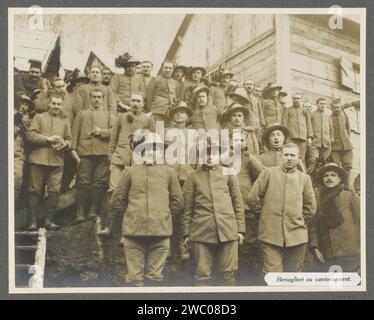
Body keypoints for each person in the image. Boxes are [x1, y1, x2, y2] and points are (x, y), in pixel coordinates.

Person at [110, 132, 184, 287]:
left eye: (156, 148)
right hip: (133, 232)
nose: (151, 152)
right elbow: (117, 201)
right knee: (134, 279)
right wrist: (132, 214)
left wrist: (164, 214)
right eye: (147, 149)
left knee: (155, 278)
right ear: (141, 152)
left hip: (161, 232)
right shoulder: (129, 172)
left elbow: (178, 202)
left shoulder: (169, 173)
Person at [181, 138, 245, 286]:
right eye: (206, 153)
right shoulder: (193, 176)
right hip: (201, 230)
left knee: (228, 274)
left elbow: (238, 203)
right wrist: (186, 233)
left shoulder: (229, 174)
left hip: (228, 229)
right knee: (202, 275)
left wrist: (240, 229)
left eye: (214, 153)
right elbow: (187, 208)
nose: (210, 156)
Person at [248, 143, 316, 273]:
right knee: (272, 273)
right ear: (281, 156)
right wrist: (264, 213)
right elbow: (252, 198)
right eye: (286, 155)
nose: (289, 158)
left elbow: (311, 207)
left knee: (293, 276)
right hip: (270, 233)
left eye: (292, 155)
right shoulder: (268, 173)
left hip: (297, 235)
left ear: (298, 158)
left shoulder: (304, 179)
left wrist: (297, 217)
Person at [26, 94, 72, 230]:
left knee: (54, 192)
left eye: (59, 104)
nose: (56, 107)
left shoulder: (65, 121)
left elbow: (69, 139)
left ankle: (49, 221)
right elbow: (30, 135)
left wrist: (65, 144)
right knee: (34, 191)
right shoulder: (39, 118)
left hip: (57, 161)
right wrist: (48, 139)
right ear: (48, 104)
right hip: (38, 159)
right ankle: (32, 222)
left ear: (61, 105)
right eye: (54, 103)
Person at [72, 88, 114, 224]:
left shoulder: (109, 115)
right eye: (94, 97)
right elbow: (75, 133)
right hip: (84, 153)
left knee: (99, 183)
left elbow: (115, 132)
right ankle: (80, 213)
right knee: (83, 182)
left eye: (99, 97)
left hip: (102, 154)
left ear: (103, 99)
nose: (96, 99)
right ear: (90, 98)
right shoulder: (82, 114)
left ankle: (93, 210)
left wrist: (101, 131)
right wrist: (73, 150)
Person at [309, 163, 360, 272]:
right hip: (326, 252)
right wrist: (315, 247)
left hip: (349, 252)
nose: (329, 178)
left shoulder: (349, 196)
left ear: (340, 179)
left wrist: (362, 246)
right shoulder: (317, 199)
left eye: (333, 175)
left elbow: (364, 222)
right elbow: (313, 225)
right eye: (326, 176)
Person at [108, 92, 155, 193]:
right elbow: (113, 138)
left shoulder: (148, 120)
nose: (135, 103)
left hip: (138, 160)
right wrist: (111, 156)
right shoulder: (121, 117)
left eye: (138, 101)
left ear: (143, 104)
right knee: (114, 190)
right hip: (119, 159)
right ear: (129, 102)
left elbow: (152, 142)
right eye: (133, 100)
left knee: (134, 190)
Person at [282, 93, 313, 164]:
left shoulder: (305, 111)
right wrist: (285, 137)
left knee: (301, 158)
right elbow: (284, 123)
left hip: (303, 138)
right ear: (292, 100)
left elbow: (309, 125)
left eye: (298, 98)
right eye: (295, 98)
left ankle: (302, 174)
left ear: (301, 100)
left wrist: (309, 137)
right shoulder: (287, 110)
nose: (296, 100)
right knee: (290, 156)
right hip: (291, 138)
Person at [307, 97, 334, 177]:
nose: (323, 105)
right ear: (317, 104)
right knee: (313, 162)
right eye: (321, 104)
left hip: (326, 144)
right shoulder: (312, 114)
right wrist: (310, 138)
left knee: (324, 164)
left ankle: (319, 185)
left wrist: (331, 138)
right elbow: (309, 126)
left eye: (324, 104)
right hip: (315, 143)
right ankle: (308, 182)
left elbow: (331, 129)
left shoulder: (328, 116)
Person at [330, 99, 353, 189]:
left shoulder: (344, 116)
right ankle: (337, 187)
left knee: (347, 166)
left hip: (347, 146)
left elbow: (348, 129)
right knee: (336, 166)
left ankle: (346, 186)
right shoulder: (329, 118)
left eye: (338, 107)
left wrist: (346, 139)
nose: (337, 109)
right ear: (332, 109)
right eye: (335, 108)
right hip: (335, 147)